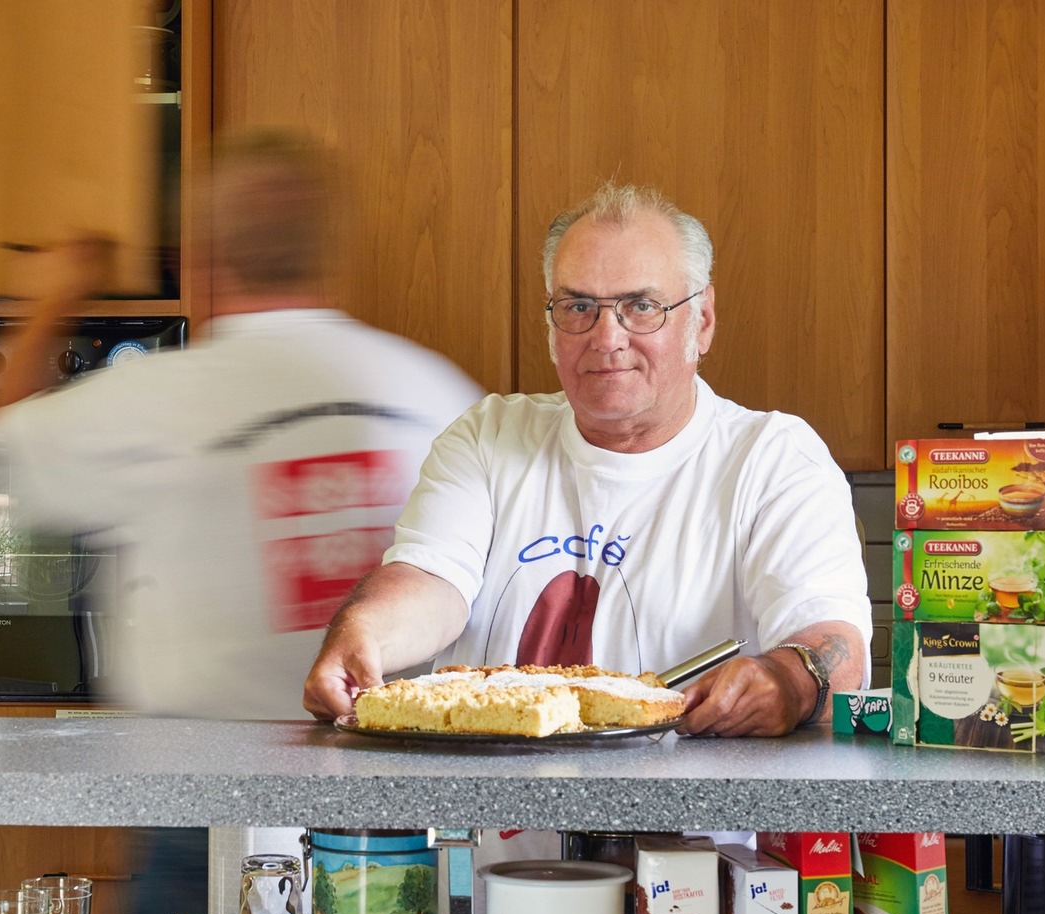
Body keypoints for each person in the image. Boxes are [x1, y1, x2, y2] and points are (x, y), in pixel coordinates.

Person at [304, 181, 871, 736]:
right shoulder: (489, 435)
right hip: (481, 826)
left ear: (701, 322)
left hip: (684, 828)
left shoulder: (772, 459)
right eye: (578, 306)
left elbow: (835, 648)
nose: (606, 337)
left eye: (642, 306)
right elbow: (430, 582)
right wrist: (365, 633)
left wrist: (787, 681)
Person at [0, 128, 483, 720]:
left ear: (198, 257)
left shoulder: (150, 399)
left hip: (196, 784)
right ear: (331, 250)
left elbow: (2, 443)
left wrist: (50, 297)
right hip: (390, 779)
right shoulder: (441, 395)